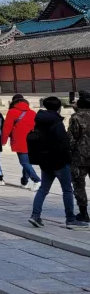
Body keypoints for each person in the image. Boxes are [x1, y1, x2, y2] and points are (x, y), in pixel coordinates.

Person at [28, 96, 87, 229]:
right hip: (59, 162)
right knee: (67, 190)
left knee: (43, 189)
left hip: (45, 161)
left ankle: (35, 215)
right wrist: (68, 158)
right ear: (59, 108)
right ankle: (70, 219)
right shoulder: (57, 123)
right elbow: (64, 143)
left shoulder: (39, 121)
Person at [1, 94, 40, 191]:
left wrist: (3, 140)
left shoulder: (12, 112)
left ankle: (36, 180)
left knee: (24, 162)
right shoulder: (32, 112)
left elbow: (6, 128)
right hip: (32, 140)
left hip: (20, 140)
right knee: (27, 162)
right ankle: (24, 181)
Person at [69, 91, 90, 223]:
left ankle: (84, 213)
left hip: (80, 157)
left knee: (79, 184)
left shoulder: (76, 117)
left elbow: (72, 138)